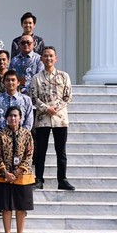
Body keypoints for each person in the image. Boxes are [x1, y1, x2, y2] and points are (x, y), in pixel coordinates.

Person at [30, 46, 75, 191]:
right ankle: (39, 179)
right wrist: (45, 108)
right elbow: (33, 97)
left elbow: (67, 96)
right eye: (45, 56)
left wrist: (55, 108)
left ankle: (62, 179)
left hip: (60, 118)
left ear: (56, 58)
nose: (48, 58)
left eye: (51, 56)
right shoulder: (36, 78)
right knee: (41, 151)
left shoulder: (64, 76)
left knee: (60, 151)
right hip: (43, 118)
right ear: (41, 58)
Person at [0, 106, 35, 233]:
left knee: (21, 208)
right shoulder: (0, 135)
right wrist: (5, 172)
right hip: (4, 176)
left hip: (22, 176)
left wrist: (17, 172)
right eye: (10, 115)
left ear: (21, 118)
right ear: (6, 118)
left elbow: (29, 155)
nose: (13, 118)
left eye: (16, 115)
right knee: (6, 208)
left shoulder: (27, 134)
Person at [0, 70, 34, 136]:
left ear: (18, 82)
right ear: (3, 82)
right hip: (2, 138)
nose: (10, 82)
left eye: (13, 80)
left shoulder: (26, 99)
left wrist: (22, 135)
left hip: (22, 137)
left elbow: (29, 120)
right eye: (8, 80)